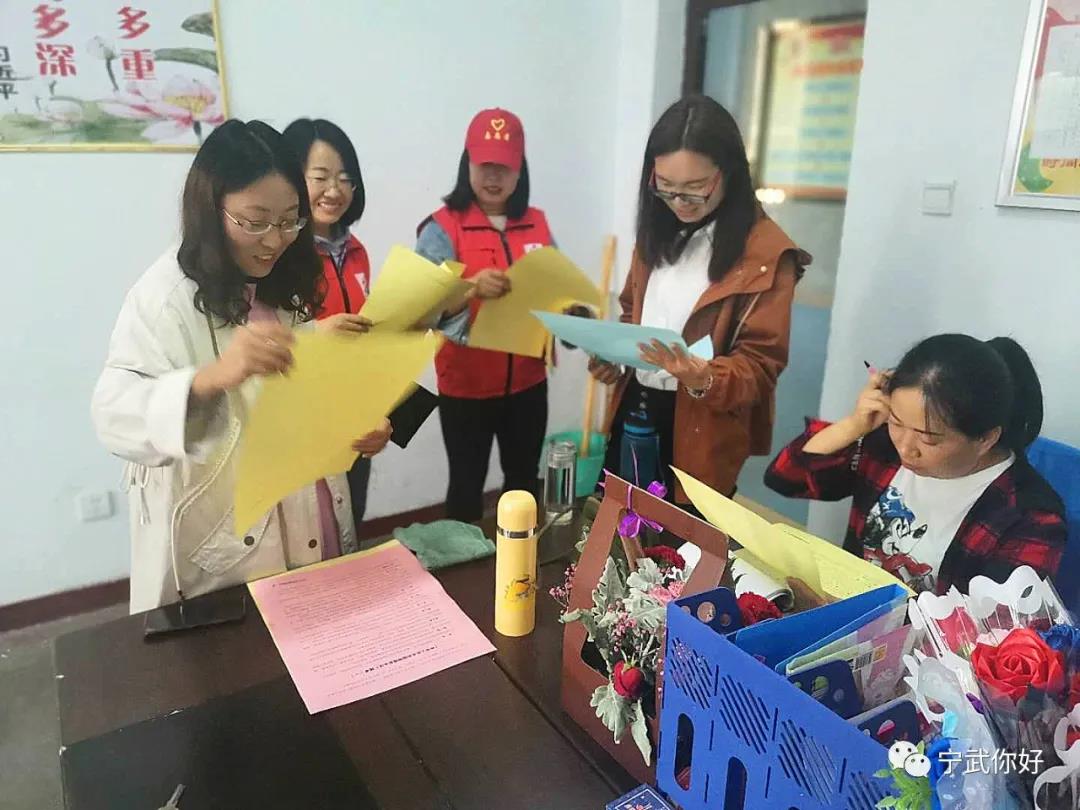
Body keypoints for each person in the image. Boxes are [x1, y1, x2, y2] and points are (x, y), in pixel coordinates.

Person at [92, 120, 391, 613]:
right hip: (225, 553)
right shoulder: (164, 299)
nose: (275, 240)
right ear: (210, 210)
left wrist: (351, 424)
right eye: (255, 222)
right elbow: (112, 415)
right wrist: (209, 379)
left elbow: (291, 393)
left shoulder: (282, 284)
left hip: (310, 514)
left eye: (291, 220)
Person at [590, 95, 808, 511]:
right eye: (666, 187)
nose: (679, 203)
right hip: (636, 411)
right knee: (621, 530)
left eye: (695, 189)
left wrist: (702, 376)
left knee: (683, 542)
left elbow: (761, 367)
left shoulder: (766, 253)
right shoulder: (658, 230)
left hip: (701, 429)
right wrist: (614, 357)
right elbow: (632, 314)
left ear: (730, 173)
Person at [764, 334, 1066, 594]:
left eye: (928, 439)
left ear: (985, 438)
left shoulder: (1030, 516)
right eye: (896, 422)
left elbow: (992, 630)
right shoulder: (884, 447)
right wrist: (854, 425)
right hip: (844, 614)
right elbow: (784, 478)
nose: (906, 448)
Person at [415, 107, 554, 522]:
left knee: (523, 484)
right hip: (466, 389)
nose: (493, 177)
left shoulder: (536, 224)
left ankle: (523, 559)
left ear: (520, 170)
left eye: (504, 167)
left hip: (529, 383)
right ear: (467, 165)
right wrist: (471, 288)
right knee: (466, 486)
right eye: (484, 165)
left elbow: (557, 288)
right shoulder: (441, 228)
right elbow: (419, 312)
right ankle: (462, 562)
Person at [282, 117, 385, 530]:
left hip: (356, 419)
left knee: (350, 523)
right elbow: (252, 339)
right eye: (321, 177)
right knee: (309, 533)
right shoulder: (279, 255)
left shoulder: (355, 251)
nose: (335, 190)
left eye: (345, 179)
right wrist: (314, 334)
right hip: (302, 424)